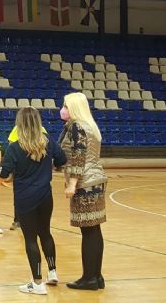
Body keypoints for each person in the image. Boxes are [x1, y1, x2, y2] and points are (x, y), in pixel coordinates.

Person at [0, 107, 67, 296]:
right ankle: (52, 272)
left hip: (25, 197)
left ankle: (37, 282)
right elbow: (62, 159)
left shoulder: (14, 147)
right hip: (46, 196)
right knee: (45, 232)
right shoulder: (47, 142)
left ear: (19, 123)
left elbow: (4, 174)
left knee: (30, 238)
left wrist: (3, 172)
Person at [60, 92, 107, 291]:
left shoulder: (77, 126)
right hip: (96, 180)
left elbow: (78, 157)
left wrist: (72, 183)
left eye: (65, 105)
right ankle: (96, 276)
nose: (62, 109)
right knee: (94, 229)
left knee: (88, 231)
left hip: (84, 183)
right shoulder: (91, 126)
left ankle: (88, 278)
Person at [6, 124, 49, 231]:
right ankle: (18, 220)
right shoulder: (18, 128)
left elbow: (46, 145)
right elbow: (11, 143)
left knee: (39, 193)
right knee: (19, 194)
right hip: (22, 166)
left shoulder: (41, 128)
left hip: (37, 166)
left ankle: (37, 220)